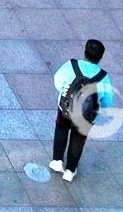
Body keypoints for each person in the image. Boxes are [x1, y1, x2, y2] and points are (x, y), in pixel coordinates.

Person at [49, 38, 115, 181]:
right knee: (78, 140)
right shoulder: (103, 77)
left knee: (61, 129)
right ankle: (70, 170)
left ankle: (57, 161)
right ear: (100, 57)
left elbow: (58, 81)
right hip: (87, 115)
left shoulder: (71, 65)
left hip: (66, 108)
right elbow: (107, 101)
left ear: (85, 51)